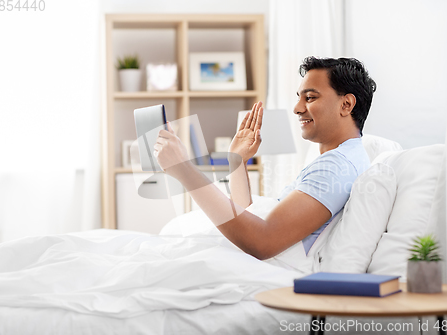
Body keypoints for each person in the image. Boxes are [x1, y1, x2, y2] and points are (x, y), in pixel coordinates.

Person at [154, 56, 376, 260]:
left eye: (310, 97)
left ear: (346, 104)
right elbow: (247, 223)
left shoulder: (336, 167)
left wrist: (185, 171)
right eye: (299, 98)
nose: (297, 108)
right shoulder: (342, 158)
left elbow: (262, 241)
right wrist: (237, 161)